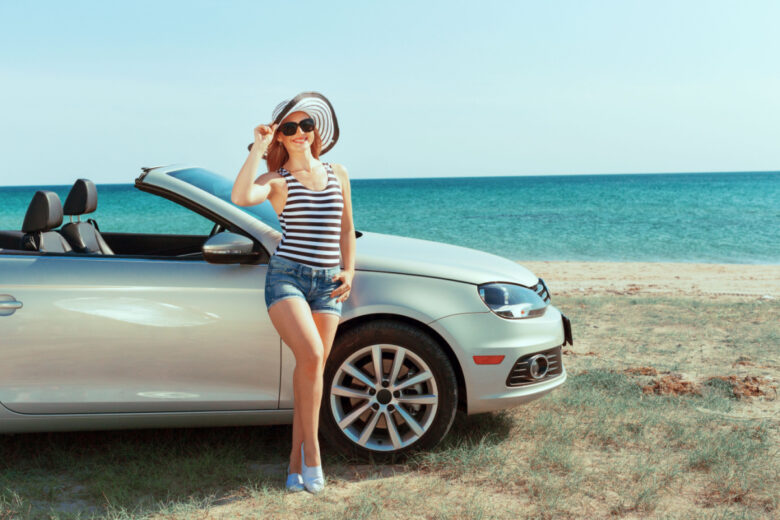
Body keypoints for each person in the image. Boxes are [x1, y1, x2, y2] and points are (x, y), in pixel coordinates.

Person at [231, 92, 355, 494]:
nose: (300, 132)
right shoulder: (276, 181)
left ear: (315, 131)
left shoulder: (338, 172)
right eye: (290, 128)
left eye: (306, 125)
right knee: (314, 356)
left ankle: (292, 462)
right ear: (280, 138)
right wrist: (258, 146)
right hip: (287, 279)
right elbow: (240, 197)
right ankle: (314, 454)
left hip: (329, 283)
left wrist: (349, 270)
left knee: (311, 370)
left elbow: (345, 229)